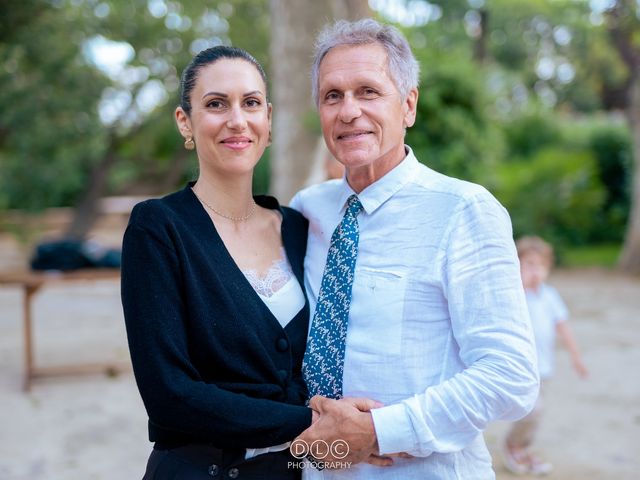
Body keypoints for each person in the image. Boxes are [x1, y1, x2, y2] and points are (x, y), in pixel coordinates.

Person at [289, 19, 539, 479]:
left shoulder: (464, 211)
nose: (348, 111)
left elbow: (511, 376)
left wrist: (381, 431)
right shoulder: (308, 211)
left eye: (368, 91)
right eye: (332, 95)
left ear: (408, 105)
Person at [121, 45, 314, 479]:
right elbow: (169, 394)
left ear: (268, 118)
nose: (237, 120)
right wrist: (314, 425)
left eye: (250, 103)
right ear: (184, 122)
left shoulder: (300, 228)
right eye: (215, 104)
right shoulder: (158, 228)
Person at [502, 236, 589, 476]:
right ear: (516, 266)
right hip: (520, 367)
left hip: (545, 368)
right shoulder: (513, 295)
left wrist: (576, 357)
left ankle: (522, 447)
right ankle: (512, 445)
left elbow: (563, 327)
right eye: (528, 264)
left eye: (540, 266)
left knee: (536, 415)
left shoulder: (550, 296)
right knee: (532, 409)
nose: (535, 271)